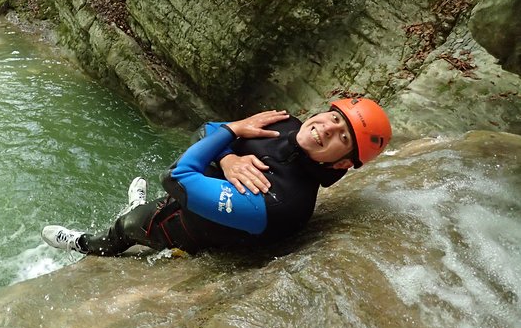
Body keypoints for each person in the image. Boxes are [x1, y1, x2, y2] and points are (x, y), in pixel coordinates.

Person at [41, 98, 392, 256]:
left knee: (128, 227)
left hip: (181, 231)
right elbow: (203, 130)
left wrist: (230, 131)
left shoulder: (283, 201)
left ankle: (85, 244)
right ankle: (134, 210)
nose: (326, 129)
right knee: (153, 206)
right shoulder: (286, 125)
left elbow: (177, 177)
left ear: (343, 164)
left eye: (343, 137)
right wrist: (226, 159)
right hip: (191, 196)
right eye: (334, 117)